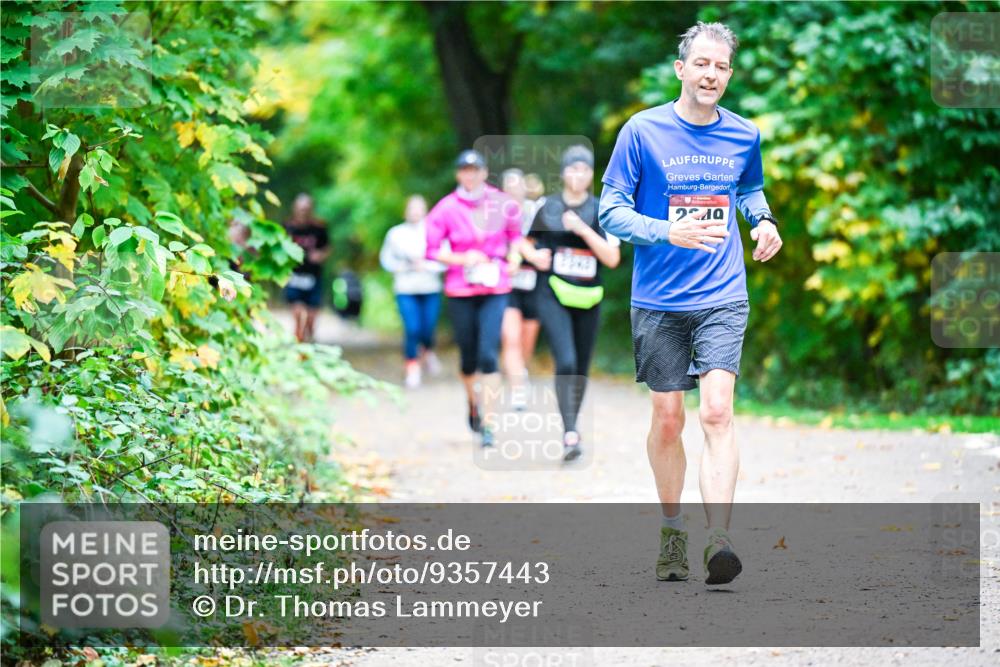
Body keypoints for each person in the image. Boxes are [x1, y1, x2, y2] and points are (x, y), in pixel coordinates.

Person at [599, 22, 783, 586]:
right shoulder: (642, 131)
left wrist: (764, 219)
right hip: (658, 299)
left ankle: (718, 540)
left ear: (729, 74)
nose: (711, 75)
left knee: (717, 411)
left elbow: (748, 189)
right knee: (668, 418)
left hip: (722, 293)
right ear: (682, 69)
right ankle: (673, 530)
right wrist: (665, 230)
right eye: (702, 64)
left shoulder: (743, 135)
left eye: (721, 67)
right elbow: (610, 211)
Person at [424, 149, 530, 448]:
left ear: (484, 173)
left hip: (495, 288)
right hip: (461, 289)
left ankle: (489, 424)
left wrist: (513, 258)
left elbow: (515, 238)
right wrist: (461, 258)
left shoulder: (502, 203)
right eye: (465, 170)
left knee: (488, 354)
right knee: (469, 359)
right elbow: (432, 251)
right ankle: (474, 404)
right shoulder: (445, 208)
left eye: (476, 170)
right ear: (459, 174)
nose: (470, 175)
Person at [526, 146, 620, 462]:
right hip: (552, 292)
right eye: (572, 169)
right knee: (565, 360)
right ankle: (570, 433)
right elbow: (524, 242)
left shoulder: (602, 209)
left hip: (588, 297)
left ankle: (572, 426)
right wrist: (534, 256)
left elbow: (612, 257)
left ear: (590, 174)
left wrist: (582, 230)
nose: (578, 175)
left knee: (580, 367)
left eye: (584, 169)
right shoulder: (547, 206)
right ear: (564, 173)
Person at [379, 195, 445, 388]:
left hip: (430, 287)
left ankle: (428, 351)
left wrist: (426, 265)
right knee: (412, 328)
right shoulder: (395, 234)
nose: (415, 212)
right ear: (406, 211)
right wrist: (401, 266)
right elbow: (386, 260)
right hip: (405, 289)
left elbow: (446, 258)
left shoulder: (435, 232)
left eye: (419, 208)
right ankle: (412, 367)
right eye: (412, 208)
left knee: (428, 327)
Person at [500, 168, 542, 409]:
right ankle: (518, 389)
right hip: (507, 285)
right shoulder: (496, 213)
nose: (514, 190)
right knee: (511, 337)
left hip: (534, 283)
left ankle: (520, 374)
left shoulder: (536, 211)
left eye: (518, 186)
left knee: (527, 341)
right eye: (509, 186)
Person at [284, 193, 331, 342]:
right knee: (298, 314)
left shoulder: (319, 227)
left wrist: (320, 255)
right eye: (301, 209)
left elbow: (327, 247)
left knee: (311, 317)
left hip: (313, 276)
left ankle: (309, 337)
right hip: (294, 275)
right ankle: (299, 343)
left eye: (307, 209)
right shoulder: (287, 227)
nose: (303, 212)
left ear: (311, 209)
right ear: (295, 209)